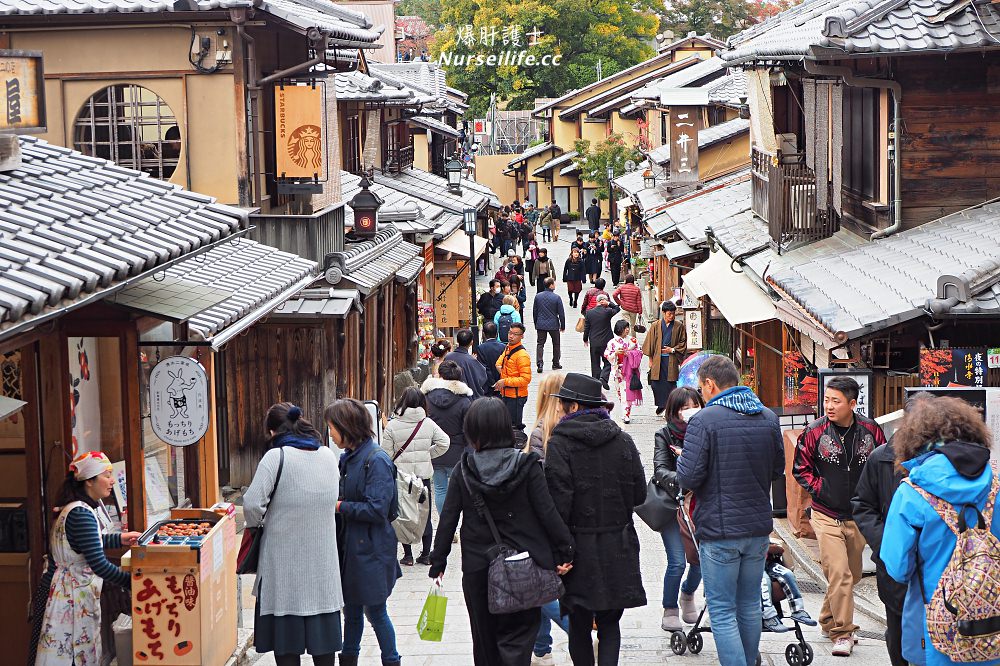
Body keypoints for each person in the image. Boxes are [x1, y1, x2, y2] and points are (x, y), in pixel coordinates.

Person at [429, 398, 575, 666]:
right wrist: (564, 550)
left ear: (472, 430)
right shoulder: (527, 465)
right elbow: (547, 513)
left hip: (478, 566)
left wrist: (438, 560)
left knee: (484, 639)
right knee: (519, 636)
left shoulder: (464, 469)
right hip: (524, 565)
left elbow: (448, 518)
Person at [676, 356, 784, 666]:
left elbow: (688, 477)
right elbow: (777, 469)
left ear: (710, 385)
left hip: (719, 529)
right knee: (749, 605)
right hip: (757, 528)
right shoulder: (767, 416)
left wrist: (684, 456)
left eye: (701, 388)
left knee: (722, 609)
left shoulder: (704, 420)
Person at [881, 396, 999, 666]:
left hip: (936, 624)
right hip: (993, 619)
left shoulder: (912, 492)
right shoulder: (996, 484)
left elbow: (897, 567)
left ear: (915, 440)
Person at [545, 373, 646, 666]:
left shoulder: (560, 445)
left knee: (578, 624)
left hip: (578, 548)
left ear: (574, 407)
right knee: (610, 624)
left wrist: (559, 552)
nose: (561, 409)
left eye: (564, 404)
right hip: (619, 544)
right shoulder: (623, 441)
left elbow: (557, 505)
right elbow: (639, 494)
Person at [241, 405, 343, 666]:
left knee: (286, 643)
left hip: (284, 563)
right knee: (325, 644)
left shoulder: (276, 457)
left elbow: (252, 504)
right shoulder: (328, 456)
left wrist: (260, 524)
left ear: (272, 431)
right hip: (322, 563)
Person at [793, 376, 886, 656]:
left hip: (858, 515)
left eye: (836, 401)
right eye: (827, 400)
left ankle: (827, 618)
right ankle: (843, 632)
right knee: (841, 574)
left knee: (852, 575)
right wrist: (821, 489)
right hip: (825, 514)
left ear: (853, 404)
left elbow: (883, 464)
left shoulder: (871, 431)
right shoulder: (814, 431)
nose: (829, 406)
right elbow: (800, 467)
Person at [32, 451, 140, 666]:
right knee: (71, 655)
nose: (111, 481)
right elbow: (99, 563)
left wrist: (120, 539)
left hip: (65, 591)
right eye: (106, 475)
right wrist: (134, 583)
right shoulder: (81, 514)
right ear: (89, 481)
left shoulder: (76, 508)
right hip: (70, 597)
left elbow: (84, 543)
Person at [852, 392, 935, 666]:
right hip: (894, 563)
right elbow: (863, 504)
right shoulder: (881, 458)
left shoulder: (945, 462)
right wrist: (885, 542)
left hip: (937, 562)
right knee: (898, 628)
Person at [327, 398, 402, 666]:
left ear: (347, 427)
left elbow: (377, 509)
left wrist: (339, 506)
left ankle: (391, 660)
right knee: (353, 612)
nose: (331, 434)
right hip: (352, 547)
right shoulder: (350, 458)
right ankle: (349, 658)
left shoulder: (376, 459)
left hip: (371, 548)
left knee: (376, 611)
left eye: (332, 428)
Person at [525, 372, 572, 665]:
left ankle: (576, 630)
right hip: (561, 516)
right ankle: (542, 648)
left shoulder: (544, 428)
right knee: (540, 584)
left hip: (545, 518)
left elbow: (538, 479)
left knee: (538, 587)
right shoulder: (562, 425)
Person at [653, 387, 704, 631]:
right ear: (674, 411)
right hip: (674, 505)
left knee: (700, 560)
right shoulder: (664, 435)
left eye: (694, 406)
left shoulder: (706, 431)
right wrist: (686, 475)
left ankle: (688, 593)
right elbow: (660, 470)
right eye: (684, 408)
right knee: (677, 562)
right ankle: (670, 607)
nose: (690, 412)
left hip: (701, 505)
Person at [382, 387, 450, 566]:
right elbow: (445, 442)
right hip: (423, 477)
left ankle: (408, 556)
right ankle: (426, 554)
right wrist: (428, 455)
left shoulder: (392, 426)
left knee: (404, 514)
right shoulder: (428, 423)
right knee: (424, 515)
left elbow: (385, 455)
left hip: (402, 479)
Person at [422, 361, 475, 518]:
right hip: (458, 451)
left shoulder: (427, 398)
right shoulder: (464, 401)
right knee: (460, 489)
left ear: (440, 375)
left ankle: (446, 522)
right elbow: (468, 430)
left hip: (435, 448)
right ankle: (456, 523)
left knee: (440, 488)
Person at [642, 301, 687, 415]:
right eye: (669, 314)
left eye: (673, 314)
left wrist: (672, 350)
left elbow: (682, 342)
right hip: (658, 359)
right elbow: (650, 343)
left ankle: (669, 406)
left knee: (670, 383)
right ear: (663, 313)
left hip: (671, 359)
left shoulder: (679, 326)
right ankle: (662, 404)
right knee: (656, 384)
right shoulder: (655, 325)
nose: (671, 316)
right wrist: (650, 360)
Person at [760, 548, 817, 632]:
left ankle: (798, 610)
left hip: (768, 563)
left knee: (788, 574)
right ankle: (769, 617)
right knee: (764, 581)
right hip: (751, 566)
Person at [603, 319, 641, 424]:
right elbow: (607, 354)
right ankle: (625, 411)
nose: (627, 330)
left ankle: (626, 414)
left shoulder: (633, 340)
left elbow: (639, 352)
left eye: (628, 327)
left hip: (629, 370)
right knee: (620, 394)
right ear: (620, 329)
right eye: (625, 328)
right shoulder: (612, 342)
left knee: (626, 393)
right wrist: (615, 353)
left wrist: (629, 353)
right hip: (617, 370)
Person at [494, 322, 531, 428]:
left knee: (514, 426)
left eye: (515, 334)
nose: (511, 336)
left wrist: (505, 381)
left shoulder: (522, 355)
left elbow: (525, 379)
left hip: (516, 397)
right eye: (510, 333)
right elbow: (498, 363)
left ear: (522, 336)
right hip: (506, 394)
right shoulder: (508, 348)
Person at [583, 293, 620, 389]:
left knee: (595, 362)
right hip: (606, 341)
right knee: (608, 361)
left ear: (597, 301)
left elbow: (587, 327)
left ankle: (595, 382)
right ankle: (603, 378)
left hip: (594, 341)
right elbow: (617, 308)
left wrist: (585, 339)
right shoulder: (607, 312)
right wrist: (609, 303)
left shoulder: (589, 313)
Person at [533, 277, 565, 374]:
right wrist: (562, 325)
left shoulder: (538, 296)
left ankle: (540, 363)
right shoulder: (557, 297)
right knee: (556, 344)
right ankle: (555, 363)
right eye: (554, 284)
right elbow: (561, 313)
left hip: (541, 324)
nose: (555, 285)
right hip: (553, 324)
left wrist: (536, 323)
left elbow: (535, 311)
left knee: (540, 344)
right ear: (551, 285)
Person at [445, 328, 489, 399]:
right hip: (467, 398)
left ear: (457, 341)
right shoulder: (471, 360)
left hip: (449, 395)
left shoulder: (448, 357)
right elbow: (482, 378)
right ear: (471, 342)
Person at [478, 322, 506, 397]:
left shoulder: (481, 348)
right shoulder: (503, 346)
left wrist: (492, 383)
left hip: (487, 384)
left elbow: (484, 367)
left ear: (483, 334)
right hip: (501, 382)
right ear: (497, 333)